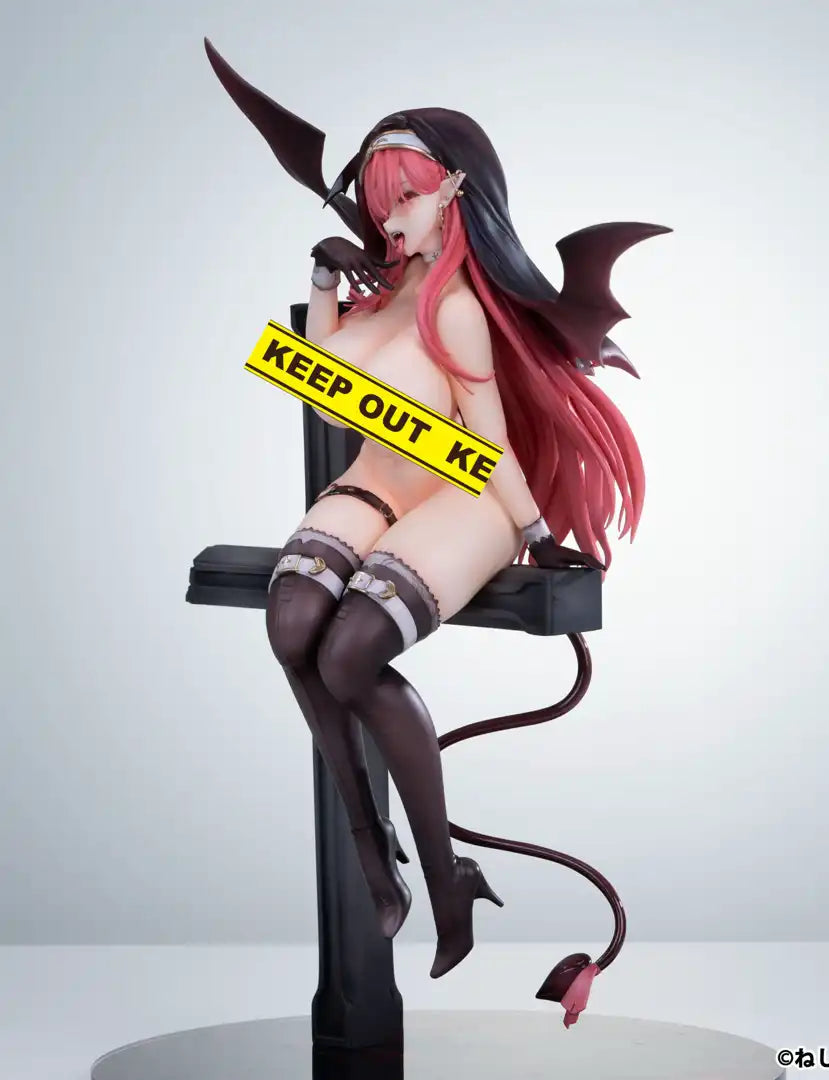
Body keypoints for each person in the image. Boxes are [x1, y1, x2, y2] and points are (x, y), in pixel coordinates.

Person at [205, 39, 670, 1024]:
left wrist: (534, 529)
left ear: (454, 190)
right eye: (379, 204)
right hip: (379, 483)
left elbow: (487, 443)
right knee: (292, 625)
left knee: (350, 651)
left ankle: (443, 872)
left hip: (465, 499)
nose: (389, 219)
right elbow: (319, 378)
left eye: (406, 199)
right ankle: (375, 853)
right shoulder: (381, 297)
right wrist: (325, 278)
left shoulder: (457, 310)